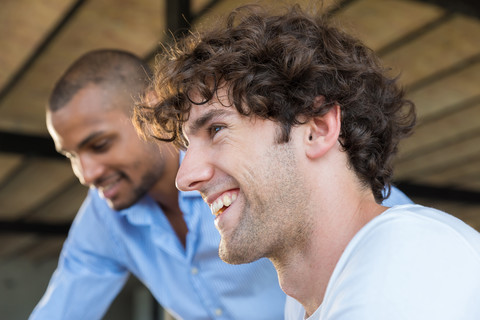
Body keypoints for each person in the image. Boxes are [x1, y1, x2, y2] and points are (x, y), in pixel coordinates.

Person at [134, 4, 480, 320]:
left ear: (318, 129)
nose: (185, 178)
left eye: (217, 129)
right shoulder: (307, 299)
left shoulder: (409, 266)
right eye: (187, 146)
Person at [30, 49, 288, 320]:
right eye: (71, 155)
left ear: (150, 109)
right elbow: (62, 309)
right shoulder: (104, 216)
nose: (86, 175)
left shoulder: (237, 167)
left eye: (100, 145)